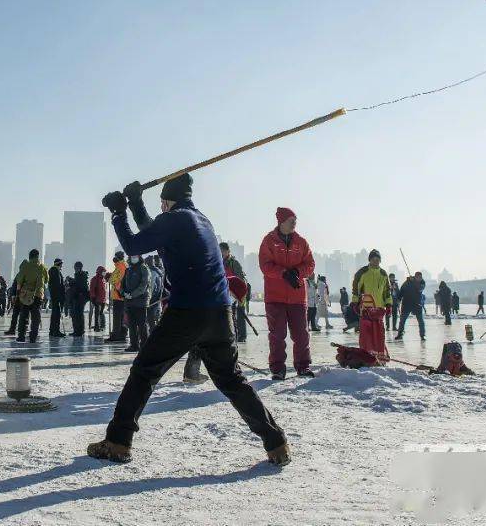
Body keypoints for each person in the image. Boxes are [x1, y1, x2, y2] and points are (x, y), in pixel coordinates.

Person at [88, 174, 289, 465]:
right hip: (220, 314)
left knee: (145, 371)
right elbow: (155, 232)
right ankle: (276, 442)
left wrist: (119, 213)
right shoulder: (200, 220)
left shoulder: (175, 219)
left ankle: (118, 441)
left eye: (161, 204)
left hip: (188, 311)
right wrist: (135, 204)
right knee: (232, 380)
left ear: (168, 201)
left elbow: (134, 245)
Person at [259, 207, 316, 380]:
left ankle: (303, 366)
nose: (294, 223)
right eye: (291, 220)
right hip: (275, 297)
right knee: (277, 335)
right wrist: (283, 273)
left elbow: (310, 264)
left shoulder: (301, 242)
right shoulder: (269, 241)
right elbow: (265, 265)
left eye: (295, 220)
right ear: (281, 221)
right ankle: (277, 369)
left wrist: (298, 272)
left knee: (301, 334)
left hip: (297, 297)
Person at [351, 250, 392, 361]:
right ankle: (366, 354)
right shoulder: (362, 272)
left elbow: (387, 291)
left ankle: (380, 355)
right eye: (373, 259)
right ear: (370, 260)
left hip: (379, 309)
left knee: (379, 333)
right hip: (366, 308)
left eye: (378, 259)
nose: (376, 262)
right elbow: (356, 289)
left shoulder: (383, 274)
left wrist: (389, 304)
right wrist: (355, 302)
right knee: (366, 332)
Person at [14, 249, 48, 343]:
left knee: (24, 315)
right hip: (38, 295)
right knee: (35, 317)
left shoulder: (26, 266)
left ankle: (21, 336)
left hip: (26, 295)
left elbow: (19, 279)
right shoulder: (42, 267)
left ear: (30, 256)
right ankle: (33, 337)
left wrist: (18, 292)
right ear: (37, 256)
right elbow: (46, 280)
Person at [121, 254, 152, 352]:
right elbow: (122, 284)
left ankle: (144, 345)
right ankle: (134, 345)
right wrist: (124, 293)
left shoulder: (143, 268)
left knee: (142, 325)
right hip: (129, 302)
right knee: (132, 325)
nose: (133, 258)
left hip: (141, 302)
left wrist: (132, 295)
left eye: (135, 256)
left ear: (139, 257)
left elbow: (144, 285)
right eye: (132, 256)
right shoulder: (128, 269)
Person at [220, 243, 249, 341]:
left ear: (228, 251)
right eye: (220, 251)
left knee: (240, 313)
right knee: (228, 314)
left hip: (239, 292)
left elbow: (240, 279)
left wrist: (238, 295)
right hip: (226, 293)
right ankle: (230, 335)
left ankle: (242, 336)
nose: (221, 253)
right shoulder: (219, 263)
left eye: (223, 251)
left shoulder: (234, 263)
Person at [395, 271, 425, 341]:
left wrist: (414, 282)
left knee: (420, 321)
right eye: (419, 277)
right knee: (402, 320)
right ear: (416, 276)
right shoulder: (407, 282)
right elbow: (402, 291)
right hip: (406, 304)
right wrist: (399, 299)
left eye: (421, 277)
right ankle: (400, 334)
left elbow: (420, 289)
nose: (420, 279)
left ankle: (422, 335)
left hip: (417, 304)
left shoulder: (422, 282)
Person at [104, 252, 128, 343]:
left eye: (116, 256)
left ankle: (116, 336)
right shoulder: (122, 265)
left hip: (119, 296)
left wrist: (110, 277)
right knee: (121, 317)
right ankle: (122, 335)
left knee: (117, 317)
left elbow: (115, 280)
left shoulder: (121, 266)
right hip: (121, 296)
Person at [68, 262, 90, 337]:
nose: (75, 269)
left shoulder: (81, 275)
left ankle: (79, 331)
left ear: (79, 267)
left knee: (78, 314)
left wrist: (70, 281)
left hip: (80, 297)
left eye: (76, 267)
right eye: (75, 267)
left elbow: (79, 285)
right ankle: (78, 330)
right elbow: (77, 283)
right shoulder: (79, 275)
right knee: (77, 314)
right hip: (77, 297)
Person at [47, 258, 67, 337]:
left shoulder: (53, 271)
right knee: (57, 314)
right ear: (59, 264)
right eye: (61, 264)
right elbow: (58, 285)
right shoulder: (56, 272)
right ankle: (56, 331)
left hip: (54, 296)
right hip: (57, 296)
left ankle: (52, 331)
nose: (62, 266)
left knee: (54, 314)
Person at [147, 255, 166, 329]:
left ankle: (152, 337)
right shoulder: (159, 271)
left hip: (152, 300)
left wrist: (148, 299)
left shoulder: (152, 272)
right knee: (156, 319)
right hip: (158, 298)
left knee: (151, 320)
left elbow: (151, 288)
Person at [90, 266, 108, 332]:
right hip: (97, 299)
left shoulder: (104, 279)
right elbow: (92, 289)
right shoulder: (95, 279)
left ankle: (102, 325)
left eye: (105, 272)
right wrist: (93, 297)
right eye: (103, 272)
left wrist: (105, 299)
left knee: (101, 313)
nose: (104, 273)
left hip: (103, 300)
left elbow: (104, 290)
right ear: (100, 272)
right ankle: (97, 327)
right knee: (97, 313)